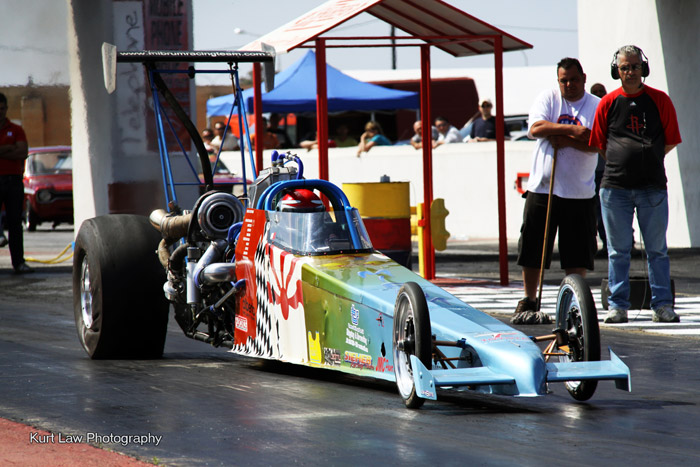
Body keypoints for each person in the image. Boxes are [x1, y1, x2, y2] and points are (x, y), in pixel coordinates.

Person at [589, 45, 682, 324]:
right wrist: (624, 162)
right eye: (625, 67)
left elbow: (671, 139)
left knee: (657, 251)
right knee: (618, 251)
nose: (630, 72)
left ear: (644, 68)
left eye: (635, 66)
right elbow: (599, 143)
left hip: (652, 187)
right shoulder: (607, 103)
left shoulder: (660, 100)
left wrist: (647, 158)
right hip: (614, 188)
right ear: (616, 71)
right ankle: (618, 306)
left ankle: (662, 306)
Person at [511, 58, 600, 324]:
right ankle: (530, 299)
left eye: (573, 79)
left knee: (577, 251)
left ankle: (573, 302)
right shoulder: (548, 98)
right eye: (564, 80)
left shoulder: (596, 105)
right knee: (533, 247)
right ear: (558, 80)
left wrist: (562, 138)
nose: (569, 85)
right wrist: (572, 130)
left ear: (583, 78)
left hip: (579, 192)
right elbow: (536, 128)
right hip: (543, 189)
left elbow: (596, 141)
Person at [0, 92, 32, 273]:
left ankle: (18, 262)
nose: (0, 112)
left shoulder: (17, 129)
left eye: (2, 109)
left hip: (13, 181)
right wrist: (10, 148)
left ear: (6, 109)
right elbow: (16, 150)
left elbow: (22, 152)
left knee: (15, 223)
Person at [589, 83, 608, 255]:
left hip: (609, 169)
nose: (599, 95)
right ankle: (602, 242)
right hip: (592, 171)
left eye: (601, 92)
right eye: (595, 93)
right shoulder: (590, 113)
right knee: (596, 210)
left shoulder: (612, 110)